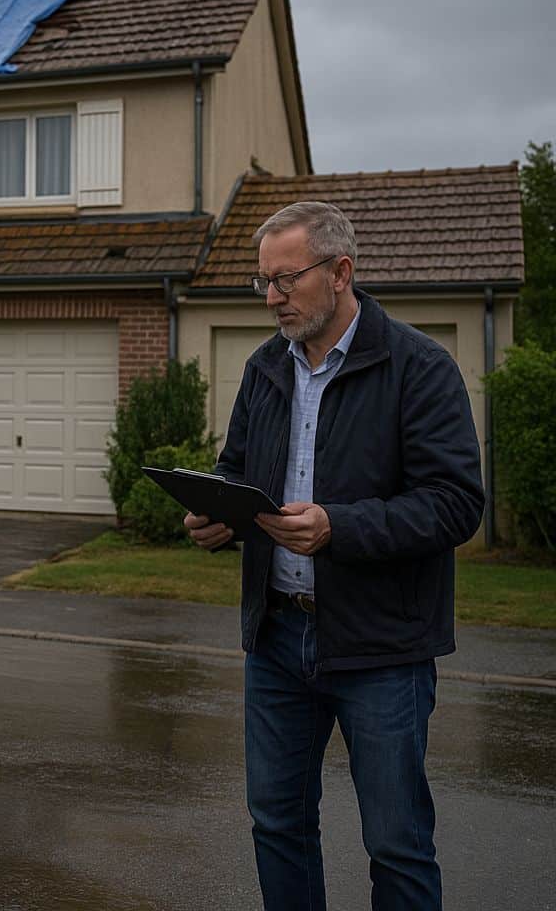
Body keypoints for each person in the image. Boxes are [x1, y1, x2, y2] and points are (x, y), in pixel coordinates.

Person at [184, 201, 484, 911]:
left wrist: (337, 528)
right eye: (263, 283)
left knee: (396, 843)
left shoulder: (420, 366)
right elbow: (236, 470)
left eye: (285, 280)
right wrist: (219, 514)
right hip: (279, 638)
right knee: (279, 824)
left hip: (382, 646)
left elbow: (454, 503)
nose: (271, 298)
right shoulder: (264, 368)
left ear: (341, 272)